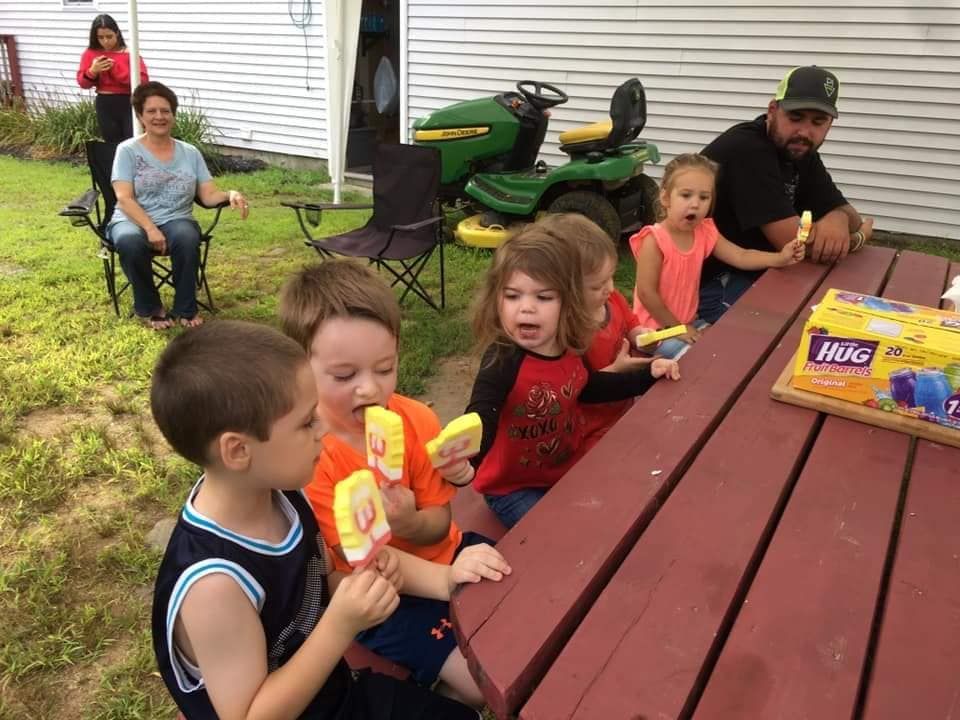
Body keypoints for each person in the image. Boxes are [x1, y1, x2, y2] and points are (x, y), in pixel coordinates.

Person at [150, 319, 510, 720]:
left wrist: (442, 578)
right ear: (238, 451)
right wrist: (341, 624)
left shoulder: (284, 495)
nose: (324, 428)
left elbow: (327, 576)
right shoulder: (215, 586)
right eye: (307, 422)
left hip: (330, 692)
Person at [278, 260, 494, 707]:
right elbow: (357, 568)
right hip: (383, 598)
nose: (369, 389)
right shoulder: (311, 455)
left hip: (446, 552)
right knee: (482, 686)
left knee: (520, 625)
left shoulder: (415, 419)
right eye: (344, 376)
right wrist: (445, 578)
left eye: (384, 367)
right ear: (300, 369)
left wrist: (410, 522)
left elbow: (439, 522)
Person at [466, 223, 680, 529]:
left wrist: (647, 374)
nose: (526, 308)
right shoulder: (502, 360)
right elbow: (481, 413)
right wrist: (465, 459)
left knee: (621, 513)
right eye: (512, 296)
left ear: (569, 302)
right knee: (558, 539)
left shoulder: (566, 344)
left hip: (564, 464)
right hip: (512, 487)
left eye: (543, 298)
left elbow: (587, 387)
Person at [699, 65, 874, 324]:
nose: (805, 131)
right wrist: (857, 237)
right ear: (773, 110)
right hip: (708, 287)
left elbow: (847, 214)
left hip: (760, 271)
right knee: (804, 333)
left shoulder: (800, 151)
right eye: (795, 117)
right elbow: (795, 244)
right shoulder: (748, 150)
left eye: (818, 122)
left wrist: (836, 219)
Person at [630, 153, 805, 360]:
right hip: (655, 332)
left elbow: (740, 256)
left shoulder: (704, 231)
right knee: (700, 359)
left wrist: (780, 258)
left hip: (688, 322)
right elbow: (646, 293)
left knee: (727, 342)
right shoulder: (655, 239)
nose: (695, 204)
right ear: (666, 198)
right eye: (686, 195)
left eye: (704, 197)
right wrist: (679, 329)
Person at [109, 81, 248, 329]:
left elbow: (208, 195)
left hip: (176, 218)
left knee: (185, 236)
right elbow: (124, 198)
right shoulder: (127, 151)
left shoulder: (190, 152)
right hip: (131, 218)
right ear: (140, 115)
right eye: (151, 111)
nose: (159, 117)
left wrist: (230, 194)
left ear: (173, 115)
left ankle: (185, 308)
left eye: (165, 111)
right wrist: (151, 228)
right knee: (129, 240)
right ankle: (151, 307)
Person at [537, 213, 659, 447]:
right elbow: (581, 388)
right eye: (597, 285)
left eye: (610, 277)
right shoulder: (564, 331)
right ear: (563, 288)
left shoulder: (611, 299)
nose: (610, 288)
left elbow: (631, 322)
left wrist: (641, 336)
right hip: (589, 429)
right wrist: (617, 369)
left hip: (624, 405)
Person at [76, 14, 149, 142]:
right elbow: (83, 83)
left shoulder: (129, 53)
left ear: (117, 33)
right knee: (111, 143)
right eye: (100, 37)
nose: (105, 41)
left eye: (109, 37)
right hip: (105, 103)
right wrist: (93, 71)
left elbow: (143, 81)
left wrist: (116, 70)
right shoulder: (90, 53)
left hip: (128, 101)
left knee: (133, 141)